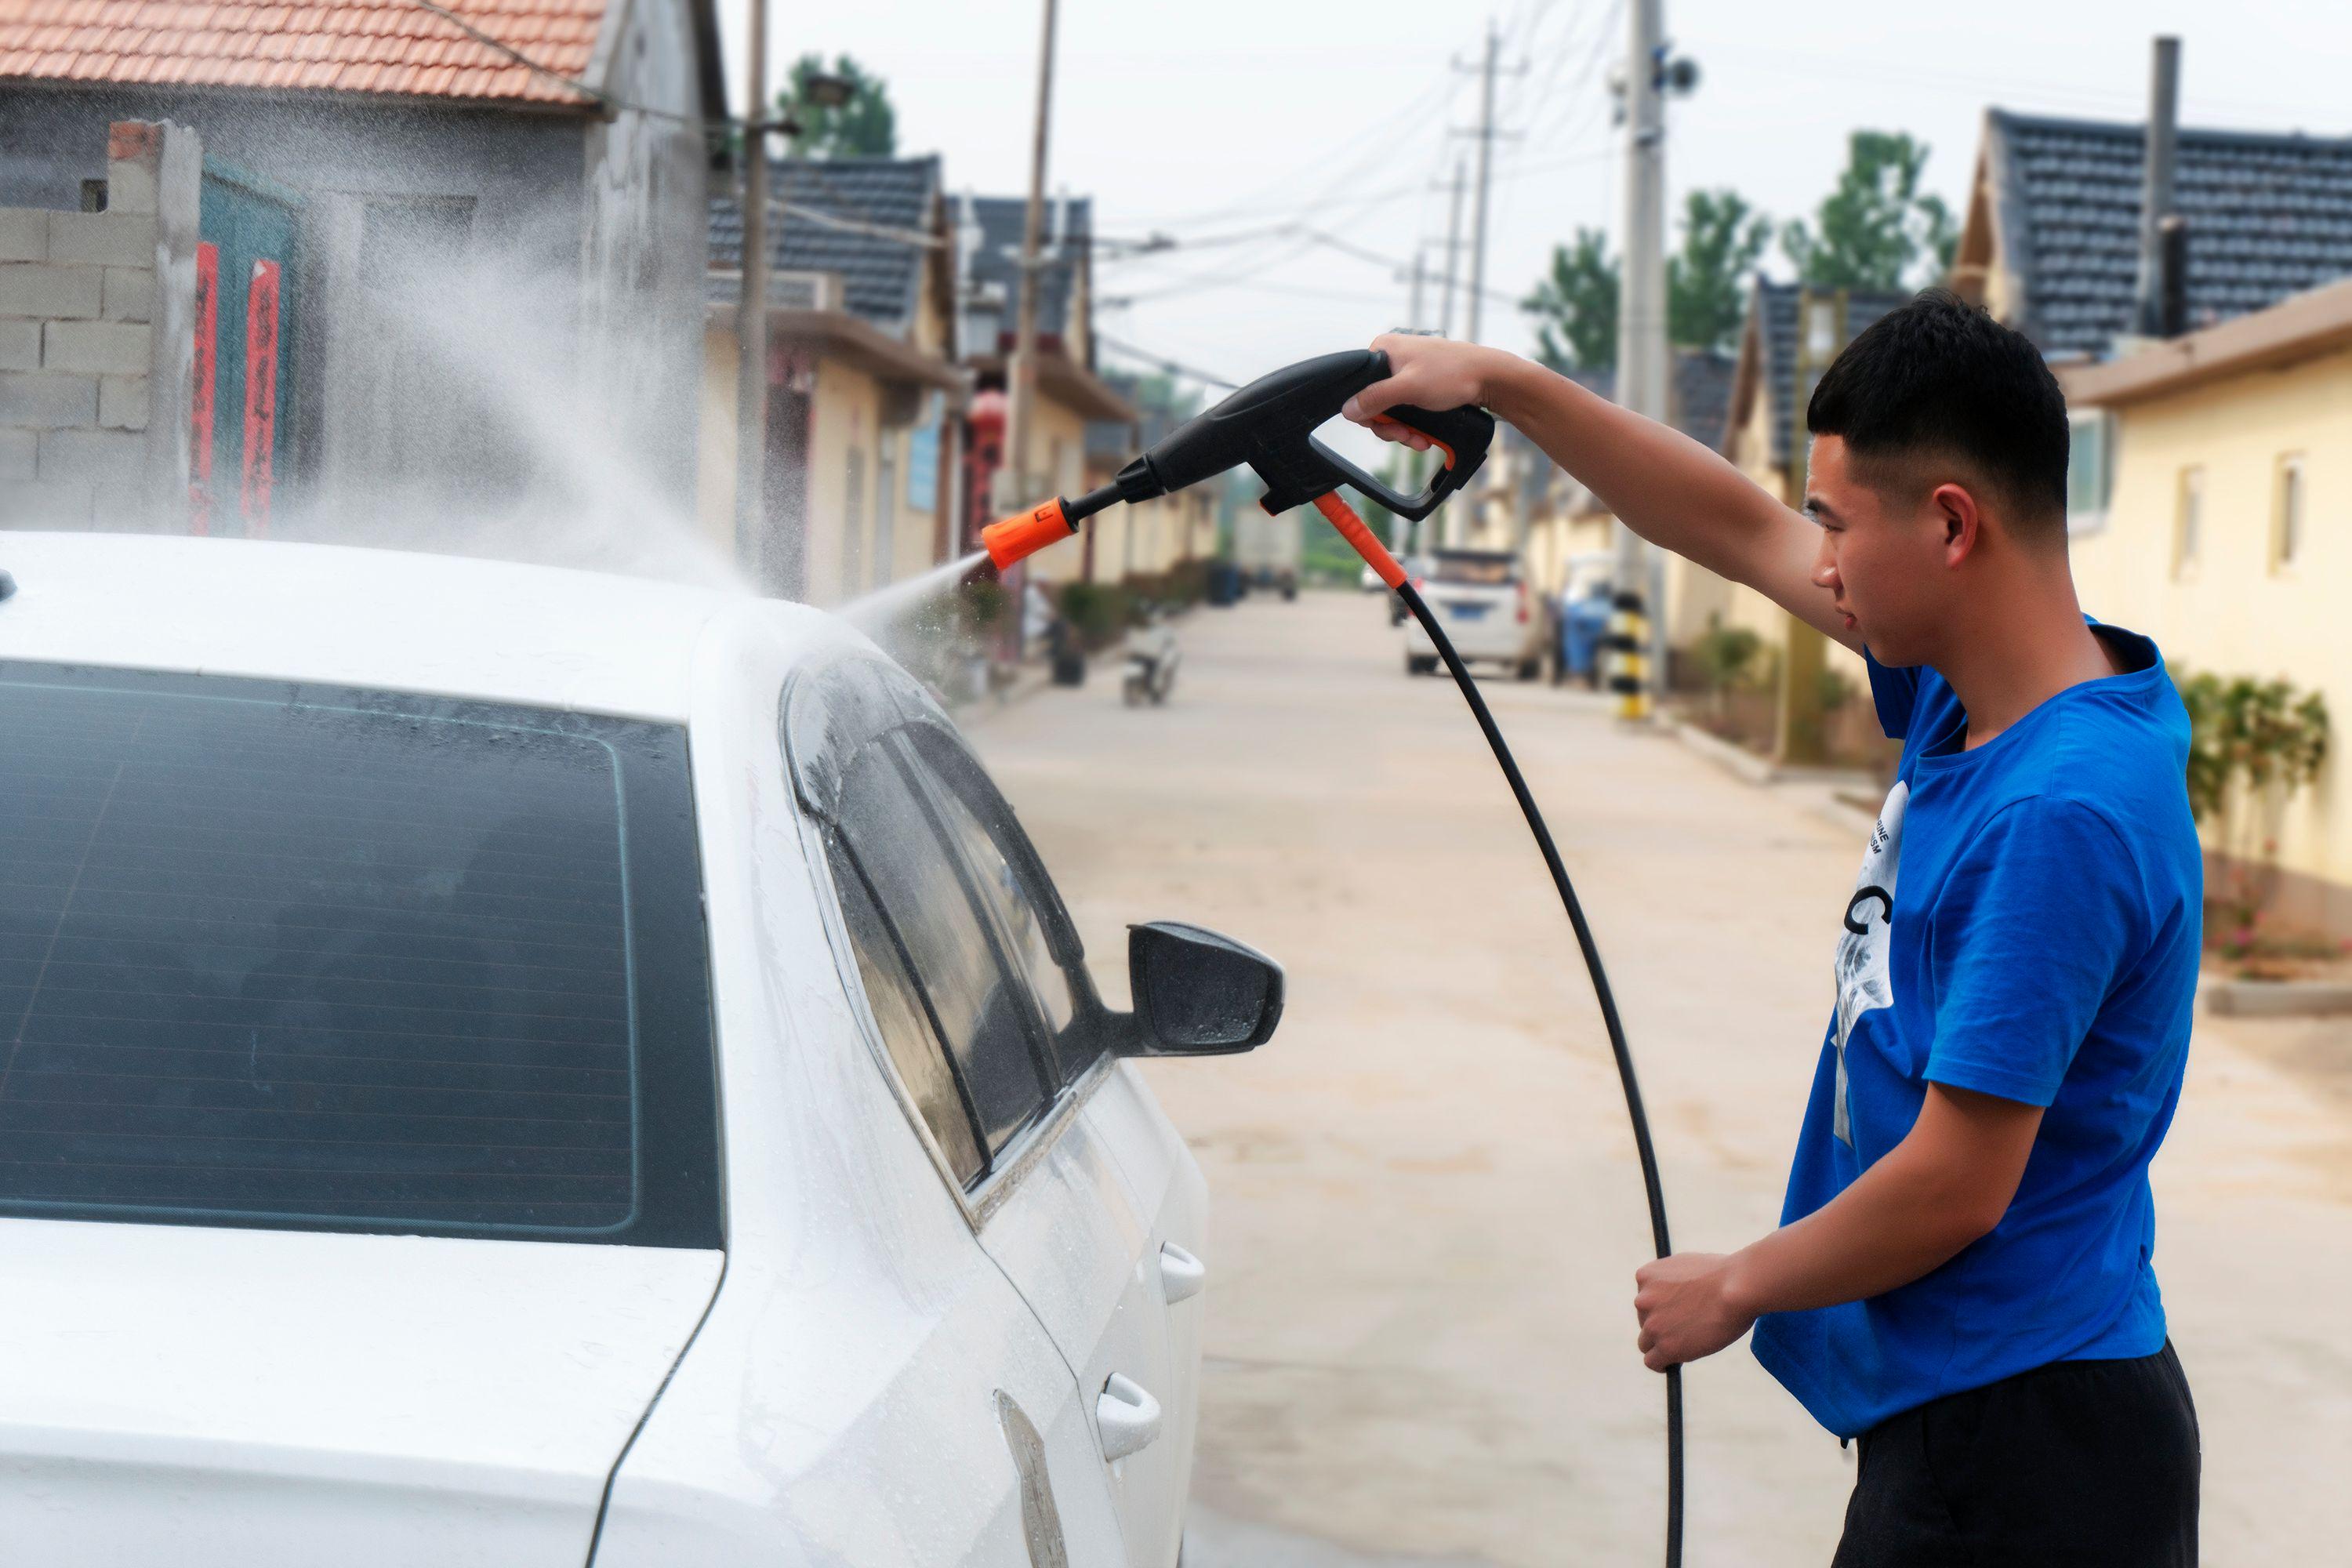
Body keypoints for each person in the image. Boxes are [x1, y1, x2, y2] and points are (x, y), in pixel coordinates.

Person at [1345, 292, 2201, 1566]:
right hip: (1985, 1409)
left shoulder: (2058, 812)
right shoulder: (1976, 697)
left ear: (1952, 525)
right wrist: (1506, 384)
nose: (1824, 563)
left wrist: (1739, 1282)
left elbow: (1960, 1185)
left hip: (2024, 1450)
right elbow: (1730, 524)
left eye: (1838, 527)